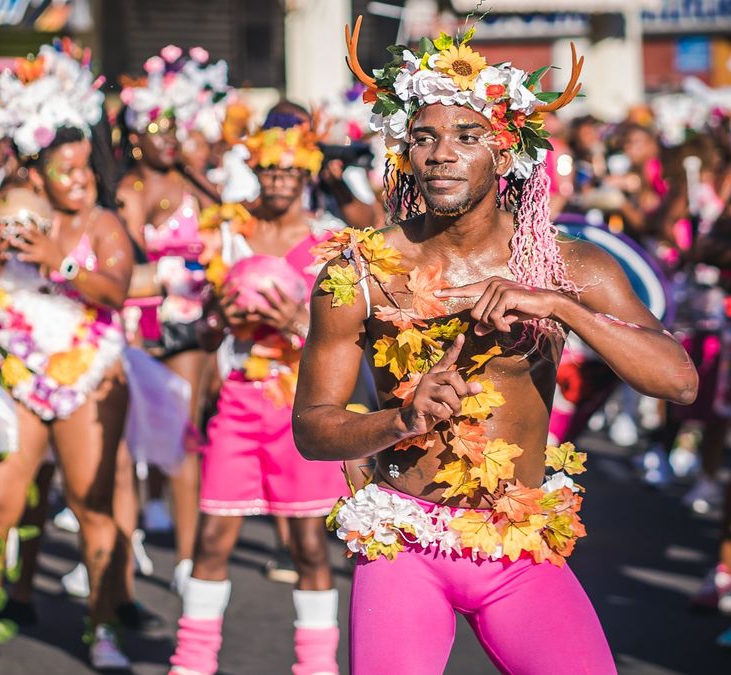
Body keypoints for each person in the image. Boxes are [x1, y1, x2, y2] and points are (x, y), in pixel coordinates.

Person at [293, 20, 698, 674]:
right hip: (405, 540)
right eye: (424, 137)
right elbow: (311, 427)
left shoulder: (567, 264)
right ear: (406, 153)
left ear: (505, 153)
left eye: (466, 135)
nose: (442, 153)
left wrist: (560, 306)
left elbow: (677, 380)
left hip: (519, 547)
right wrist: (400, 419)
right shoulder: (358, 273)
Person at [0, 40, 136, 671]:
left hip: (88, 377)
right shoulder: (9, 218)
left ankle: (102, 628)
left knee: (91, 505)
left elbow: (113, 291)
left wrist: (60, 263)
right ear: (39, 171)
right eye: (67, 170)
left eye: (87, 167)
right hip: (17, 372)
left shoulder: (103, 225)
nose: (80, 178)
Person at [168, 118, 348, 675]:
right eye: (270, 170)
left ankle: (314, 667)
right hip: (240, 399)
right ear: (257, 171)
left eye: (291, 171)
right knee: (214, 537)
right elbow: (200, 330)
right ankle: (192, 662)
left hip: (302, 407)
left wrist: (299, 321)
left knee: (309, 548)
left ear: (307, 174)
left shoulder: (332, 240)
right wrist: (220, 318)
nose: (279, 182)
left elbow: (355, 335)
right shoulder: (227, 232)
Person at [116, 45, 225, 592]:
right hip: (138, 325)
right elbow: (131, 263)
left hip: (189, 324)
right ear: (134, 137)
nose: (166, 141)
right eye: (155, 131)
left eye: (172, 130)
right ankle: (125, 542)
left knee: (183, 434)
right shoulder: (126, 191)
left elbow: (228, 230)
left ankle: (186, 558)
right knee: (129, 440)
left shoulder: (194, 185)